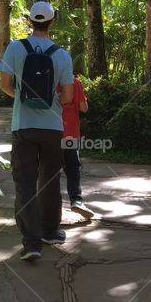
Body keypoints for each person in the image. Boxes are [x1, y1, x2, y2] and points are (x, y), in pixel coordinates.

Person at [0, 1, 74, 262]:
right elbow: (67, 97)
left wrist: (22, 96)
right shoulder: (62, 55)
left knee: (25, 182)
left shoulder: (16, 48)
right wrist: (49, 100)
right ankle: (51, 231)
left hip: (24, 126)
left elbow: (5, 85)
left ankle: (31, 242)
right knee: (50, 180)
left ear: (30, 21)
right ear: (52, 21)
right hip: (53, 128)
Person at [60, 75, 94, 219]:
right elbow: (83, 108)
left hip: (50, 132)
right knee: (73, 168)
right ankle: (76, 201)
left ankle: (53, 207)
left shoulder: (49, 79)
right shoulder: (74, 82)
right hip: (70, 134)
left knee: (50, 171)